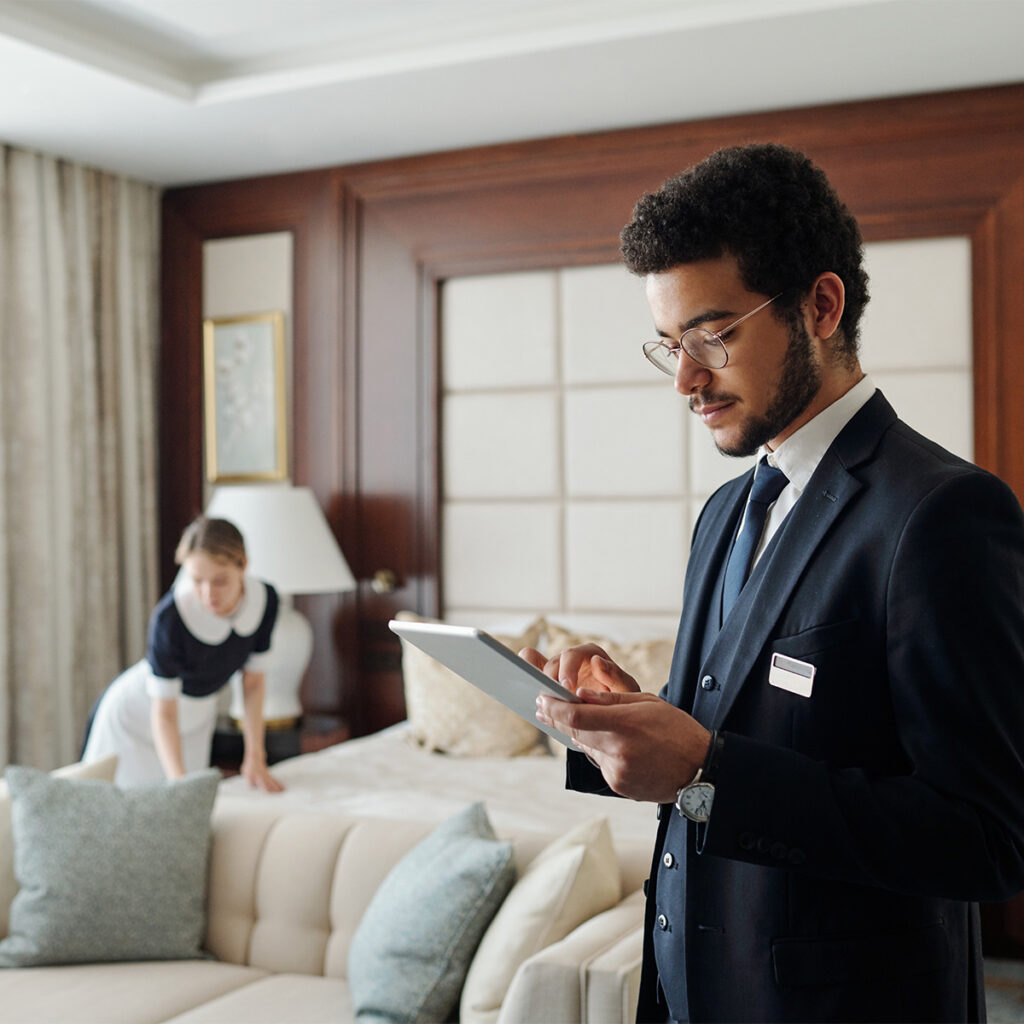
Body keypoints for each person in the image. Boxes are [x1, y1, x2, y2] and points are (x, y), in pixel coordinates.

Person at [526, 143, 1024, 1023]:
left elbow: (988, 840)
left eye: (713, 336)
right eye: (671, 345)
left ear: (820, 306)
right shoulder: (723, 514)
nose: (685, 379)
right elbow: (720, 736)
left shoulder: (943, 515)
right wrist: (621, 721)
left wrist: (706, 769)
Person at [83, 515, 285, 792]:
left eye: (220, 581)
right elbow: (163, 713)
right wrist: (177, 783)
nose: (207, 593)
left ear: (243, 566)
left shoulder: (266, 602)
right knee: (119, 809)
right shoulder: (171, 618)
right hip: (139, 715)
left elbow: (252, 683)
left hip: (195, 718)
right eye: (197, 580)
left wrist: (255, 756)